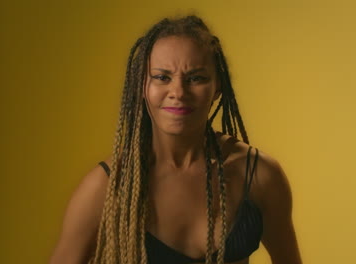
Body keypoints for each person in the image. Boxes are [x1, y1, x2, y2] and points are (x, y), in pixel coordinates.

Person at [49, 15, 303, 264]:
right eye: (162, 77)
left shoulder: (259, 175)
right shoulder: (108, 187)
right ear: (141, 87)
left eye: (196, 78)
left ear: (217, 87)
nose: (178, 92)